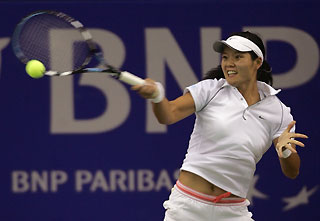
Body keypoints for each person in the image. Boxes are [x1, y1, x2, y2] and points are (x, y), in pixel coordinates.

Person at [132, 31, 308, 221]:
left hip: (233, 212)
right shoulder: (210, 90)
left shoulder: (278, 111)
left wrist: (285, 151)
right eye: (225, 57)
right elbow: (169, 114)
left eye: (238, 57)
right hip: (187, 208)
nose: (228, 63)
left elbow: (292, 171)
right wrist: (157, 97)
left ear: (257, 62)